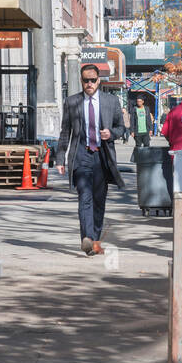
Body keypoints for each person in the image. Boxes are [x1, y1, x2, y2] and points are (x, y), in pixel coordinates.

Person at [56, 65, 127, 255]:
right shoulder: (72, 102)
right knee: (84, 197)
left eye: (93, 80)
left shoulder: (111, 101)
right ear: (81, 80)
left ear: (99, 80)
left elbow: (122, 128)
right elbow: (65, 132)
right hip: (81, 156)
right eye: (86, 80)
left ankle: (94, 240)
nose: (89, 84)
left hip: (102, 157)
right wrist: (60, 158)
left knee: (98, 201)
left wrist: (110, 133)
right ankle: (86, 237)